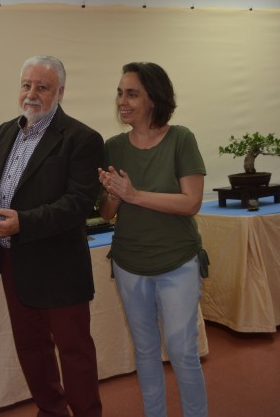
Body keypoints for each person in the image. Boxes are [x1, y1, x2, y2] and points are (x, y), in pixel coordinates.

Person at [0, 55, 104, 416]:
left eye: (42, 87)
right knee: (31, 347)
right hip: (11, 258)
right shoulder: (5, 131)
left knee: (74, 351)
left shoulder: (82, 138)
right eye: (26, 85)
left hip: (59, 265)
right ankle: (51, 411)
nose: (31, 94)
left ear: (60, 92)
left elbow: (79, 203)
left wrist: (25, 222)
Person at [98, 62, 208, 417]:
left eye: (132, 93)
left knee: (182, 350)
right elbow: (106, 213)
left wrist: (133, 193)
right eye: (119, 93)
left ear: (154, 99)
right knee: (144, 351)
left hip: (177, 261)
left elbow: (190, 202)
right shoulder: (112, 146)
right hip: (130, 262)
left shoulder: (181, 139)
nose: (122, 101)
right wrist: (114, 193)